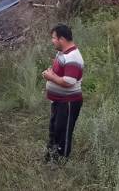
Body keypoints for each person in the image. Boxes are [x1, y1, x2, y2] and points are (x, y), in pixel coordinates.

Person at [41, 24, 84, 162]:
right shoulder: (62, 53)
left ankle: (61, 162)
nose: (52, 41)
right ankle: (51, 157)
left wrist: (51, 77)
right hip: (59, 100)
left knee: (63, 131)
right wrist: (50, 72)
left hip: (69, 102)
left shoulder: (73, 57)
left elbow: (69, 81)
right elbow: (61, 72)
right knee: (54, 129)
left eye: (54, 38)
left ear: (62, 39)